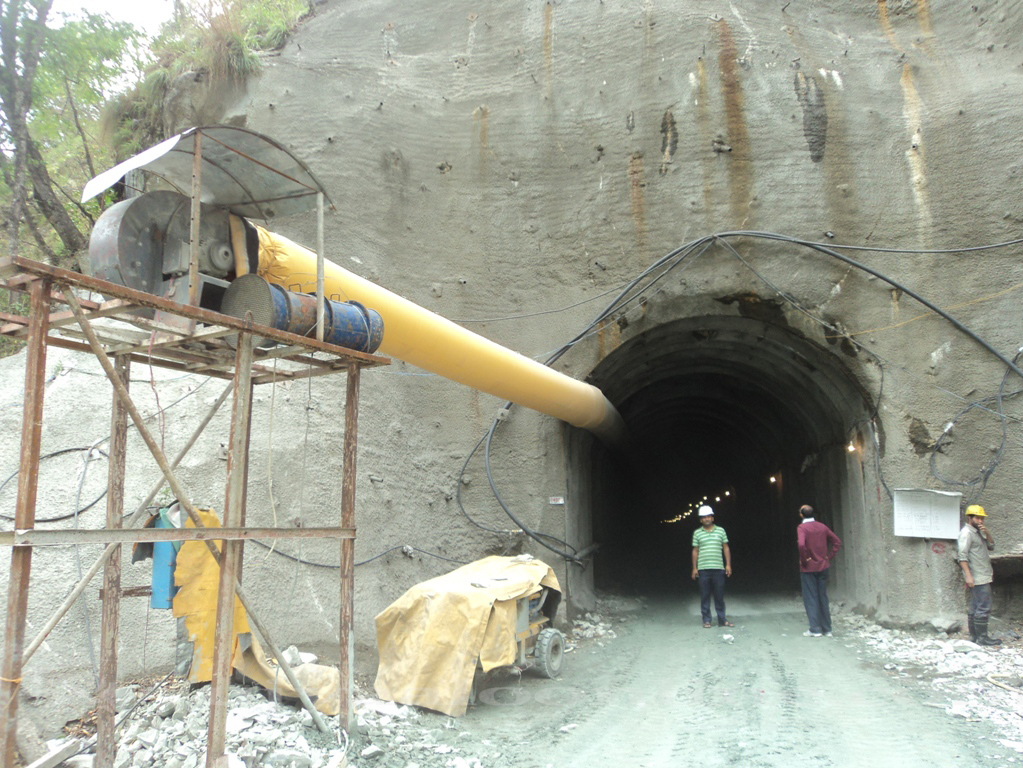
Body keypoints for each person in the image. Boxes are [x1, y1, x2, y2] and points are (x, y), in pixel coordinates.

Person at [957, 504, 1001, 646]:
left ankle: (974, 637)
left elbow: (991, 546)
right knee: (983, 606)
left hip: (982, 575)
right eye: (977, 518)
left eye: (982, 518)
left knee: (975, 606)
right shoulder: (966, 533)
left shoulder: (978, 532)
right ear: (970, 518)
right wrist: (968, 576)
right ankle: (982, 638)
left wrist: (987, 532)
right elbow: (962, 557)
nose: (980, 521)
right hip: (977, 577)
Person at [797, 504, 842, 637]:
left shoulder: (802, 528)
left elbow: (801, 544)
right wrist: (829, 557)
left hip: (808, 568)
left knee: (811, 597)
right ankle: (827, 628)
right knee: (822, 596)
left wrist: (805, 560)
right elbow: (837, 542)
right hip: (823, 566)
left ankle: (815, 629)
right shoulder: (822, 526)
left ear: (801, 514)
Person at [691, 505, 733, 628]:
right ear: (700, 520)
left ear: (713, 518)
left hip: (719, 569)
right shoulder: (697, 533)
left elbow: (726, 548)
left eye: (709, 516)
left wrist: (728, 565)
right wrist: (694, 568)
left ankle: (722, 619)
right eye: (704, 517)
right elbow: (695, 551)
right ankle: (706, 620)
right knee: (705, 595)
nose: (707, 519)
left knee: (719, 595)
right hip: (703, 569)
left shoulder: (721, 531)